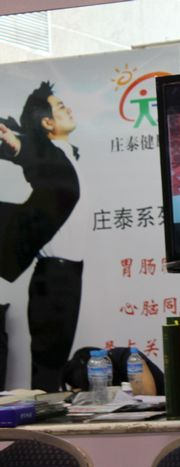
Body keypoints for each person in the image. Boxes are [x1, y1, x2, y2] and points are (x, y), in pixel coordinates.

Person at [0, 82, 83, 392]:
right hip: (54, 277)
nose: (68, 109)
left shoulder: (67, 154)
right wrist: (15, 143)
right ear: (47, 122)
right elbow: (31, 153)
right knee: (48, 371)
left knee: (56, 367)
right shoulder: (48, 155)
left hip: (70, 272)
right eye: (60, 107)